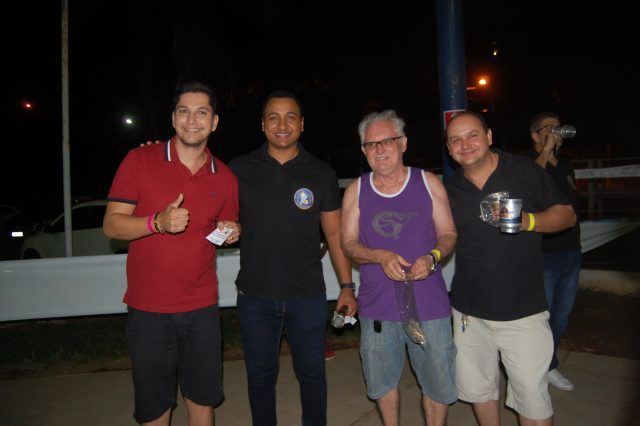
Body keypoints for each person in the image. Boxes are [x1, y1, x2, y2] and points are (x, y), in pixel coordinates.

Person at [103, 80, 240, 425]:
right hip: (149, 309)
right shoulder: (139, 160)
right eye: (184, 111)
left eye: (201, 112)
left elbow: (218, 230)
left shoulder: (224, 176)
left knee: (203, 401)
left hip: (201, 307)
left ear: (214, 122)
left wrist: (230, 233)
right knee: (155, 407)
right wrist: (157, 222)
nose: (192, 120)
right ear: (173, 117)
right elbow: (112, 225)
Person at [228, 90, 356, 426]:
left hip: (307, 295)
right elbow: (212, 207)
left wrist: (347, 287)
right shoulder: (238, 170)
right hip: (255, 297)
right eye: (273, 117)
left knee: (312, 375)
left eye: (290, 117)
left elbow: (334, 236)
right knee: (259, 377)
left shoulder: (321, 173)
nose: (281, 124)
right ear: (262, 125)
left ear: (301, 124)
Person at [443, 110, 577, 426]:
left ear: (489, 137)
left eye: (473, 135)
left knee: (533, 400)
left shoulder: (524, 171)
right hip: (469, 313)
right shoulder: (449, 189)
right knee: (479, 391)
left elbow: (567, 216)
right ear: (449, 149)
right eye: (455, 140)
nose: (465, 144)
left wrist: (526, 221)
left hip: (523, 311)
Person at [341, 109, 458, 426]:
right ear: (363, 150)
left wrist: (432, 257)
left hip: (429, 304)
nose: (379, 149)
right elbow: (348, 244)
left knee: (437, 382)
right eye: (371, 144)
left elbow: (449, 234)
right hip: (378, 306)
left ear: (403, 143)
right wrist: (379, 256)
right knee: (382, 383)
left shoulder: (428, 182)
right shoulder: (356, 190)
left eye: (387, 141)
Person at [528, 111, 582, 391]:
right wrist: (546, 151)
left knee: (561, 315)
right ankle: (539, 368)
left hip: (571, 251)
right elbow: (529, 190)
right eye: (549, 128)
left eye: (557, 127)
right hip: (544, 254)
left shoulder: (566, 165)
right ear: (535, 135)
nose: (556, 132)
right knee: (542, 316)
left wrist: (553, 155)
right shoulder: (528, 164)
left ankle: (547, 364)